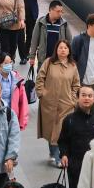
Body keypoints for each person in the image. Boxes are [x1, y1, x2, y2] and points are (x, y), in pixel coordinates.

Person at [35, 39, 80, 167]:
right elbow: (40, 78)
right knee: (51, 129)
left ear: (69, 51)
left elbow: (76, 85)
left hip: (66, 105)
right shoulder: (49, 62)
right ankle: (53, 153)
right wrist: (42, 93)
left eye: (65, 48)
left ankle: (58, 157)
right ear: (56, 49)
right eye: (60, 48)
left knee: (60, 130)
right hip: (49, 103)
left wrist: (73, 100)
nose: (63, 50)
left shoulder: (73, 66)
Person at [58, 85, 94, 188]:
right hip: (75, 165)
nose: (87, 98)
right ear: (78, 98)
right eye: (83, 95)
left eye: (90, 96)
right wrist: (64, 155)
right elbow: (63, 140)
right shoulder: (69, 120)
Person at [28, 0, 72, 68]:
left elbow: (69, 42)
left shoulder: (64, 24)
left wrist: (68, 58)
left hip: (59, 61)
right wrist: (32, 57)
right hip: (43, 60)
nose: (60, 14)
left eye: (61, 11)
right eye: (58, 11)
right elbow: (34, 40)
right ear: (50, 10)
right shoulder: (40, 23)